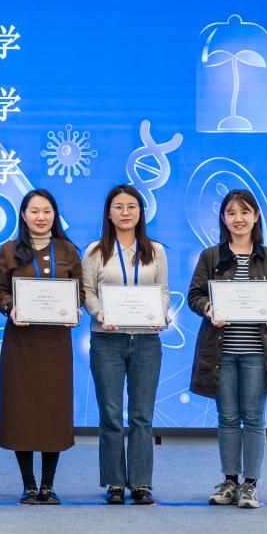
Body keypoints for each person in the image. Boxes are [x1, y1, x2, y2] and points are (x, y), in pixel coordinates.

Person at [187, 189, 267, 510]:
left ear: (256, 217)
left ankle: (251, 485)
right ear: (223, 218)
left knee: (255, 418)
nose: (238, 219)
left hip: (258, 353)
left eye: (245, 212)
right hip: (221, 353)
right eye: (231, 213)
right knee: (228, 418)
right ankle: (230, 482)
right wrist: (209, 308)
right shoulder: (210, 257)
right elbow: (194, 295)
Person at [82, 184, 169, 506]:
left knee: (142, 416)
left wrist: (161, 314)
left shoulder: (155, 251)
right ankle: (115, 482)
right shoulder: (95, 251)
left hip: (146, 340)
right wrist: (99, 313)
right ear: (108, 213)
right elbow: (87, 292)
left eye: (132, 206)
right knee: (111, 414)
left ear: (141, 212)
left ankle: (142, 482)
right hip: (107, 340)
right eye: (118, 207)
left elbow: (162, 291)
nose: (125, 212)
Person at [0, 189, 82, 504]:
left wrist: (75, 308)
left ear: (54, 215)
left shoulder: (68, 250)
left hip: (55, 344)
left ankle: (48, 484)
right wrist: (10, 307)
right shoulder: (8, 250)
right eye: (34, 211)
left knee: (52, 410)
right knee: (22, 410)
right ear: (23, 215)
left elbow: (80, 292)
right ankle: (29, 484)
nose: (41, 217)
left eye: (47, 211)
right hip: (21, 343)